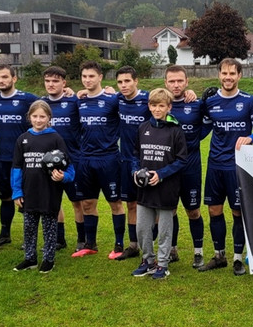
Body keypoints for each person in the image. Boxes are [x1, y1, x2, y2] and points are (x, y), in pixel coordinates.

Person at [197, 57, 253, 275]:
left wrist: (250, 138)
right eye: (224, 73)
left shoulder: (250, 101)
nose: (228, 77)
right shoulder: (211, 102)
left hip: (237, 166)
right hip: (215, 164)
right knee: (214, 211)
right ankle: (219, 256)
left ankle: (237, 259)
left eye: (232, 73)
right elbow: (202, 131)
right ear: (219, 75)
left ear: (239, 75)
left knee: (237, 212)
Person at [11, 101, 76, 274]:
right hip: (28, 191)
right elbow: (16, 167)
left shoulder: (55, 138)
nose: (38, 120)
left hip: (49, 191)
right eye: (35, 116)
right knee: (29, 227)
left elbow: (69, 167)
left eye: (42, 116)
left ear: (49, 118)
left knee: (49, 227)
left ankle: (49, 259)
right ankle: (30, 258)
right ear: (29, 117)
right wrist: (17, 191)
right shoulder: (23, 138)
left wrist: (64, 177)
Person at [130, 88, 188, 280]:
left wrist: (161, 174)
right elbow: (134, 155)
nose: (156, 109)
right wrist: (135, 171)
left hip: (166, 187)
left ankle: (162, 264)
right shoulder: (143, 128)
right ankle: (147, 261)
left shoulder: (176, 130)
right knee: (142, 228)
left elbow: (181, 160)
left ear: (169, 107)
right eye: (153, 105)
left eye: (161, 106)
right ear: (149, 106)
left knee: (164, 229)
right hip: (144, 189)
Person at [73, 60, 125, 257]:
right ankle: (90, 244)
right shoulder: (79, 100)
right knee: (87, 204)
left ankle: (119, 244)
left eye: (91, 76)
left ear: (100, 77)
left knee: (115, 202)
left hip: (109, 158)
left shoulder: (113, 100)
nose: (87, 80)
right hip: (85, 159)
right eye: (84, 76)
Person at [0, 64, 39, 248]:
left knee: (26, 199)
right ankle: (4, 234)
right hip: (2, 158)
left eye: (4, 77)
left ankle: (29, 238)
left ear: (14, 78)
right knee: (5, 197)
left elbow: (46, 109)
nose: (1, 80)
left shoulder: (27, 99)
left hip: (24, 160)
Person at [165, 65, 210, 267]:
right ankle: (172, 250)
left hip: (191, 167)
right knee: (170, 210)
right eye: (172, 81)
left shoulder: (196, 104)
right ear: (165, 83)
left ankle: (198, 252)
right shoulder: (159, 104)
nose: (176, 85)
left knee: (193, 211)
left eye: (179, 81)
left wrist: (193, 141)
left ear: (186, 82)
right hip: (168, 167)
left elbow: (207, 125)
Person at [41, 65, 82, 251]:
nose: (51, 84)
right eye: (48, 81)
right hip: (49, 163)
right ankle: (59, 239)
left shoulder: (74, 101)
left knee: (77, 202)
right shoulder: (41, 104)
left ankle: (82, 239)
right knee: (54, 202)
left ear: (64, 83)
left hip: (73, 160)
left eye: (55, 81)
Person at [112, 66, 151, 260]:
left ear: (136, 80)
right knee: (131, 205)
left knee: (154, 205)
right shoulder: (117, 100)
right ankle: (133, 245)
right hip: (126, 160)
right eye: (120, 82)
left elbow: (168, 102)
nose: (123, 85)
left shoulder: (148, 99)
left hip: (149, 161)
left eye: (127, 81)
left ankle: (154, 246)